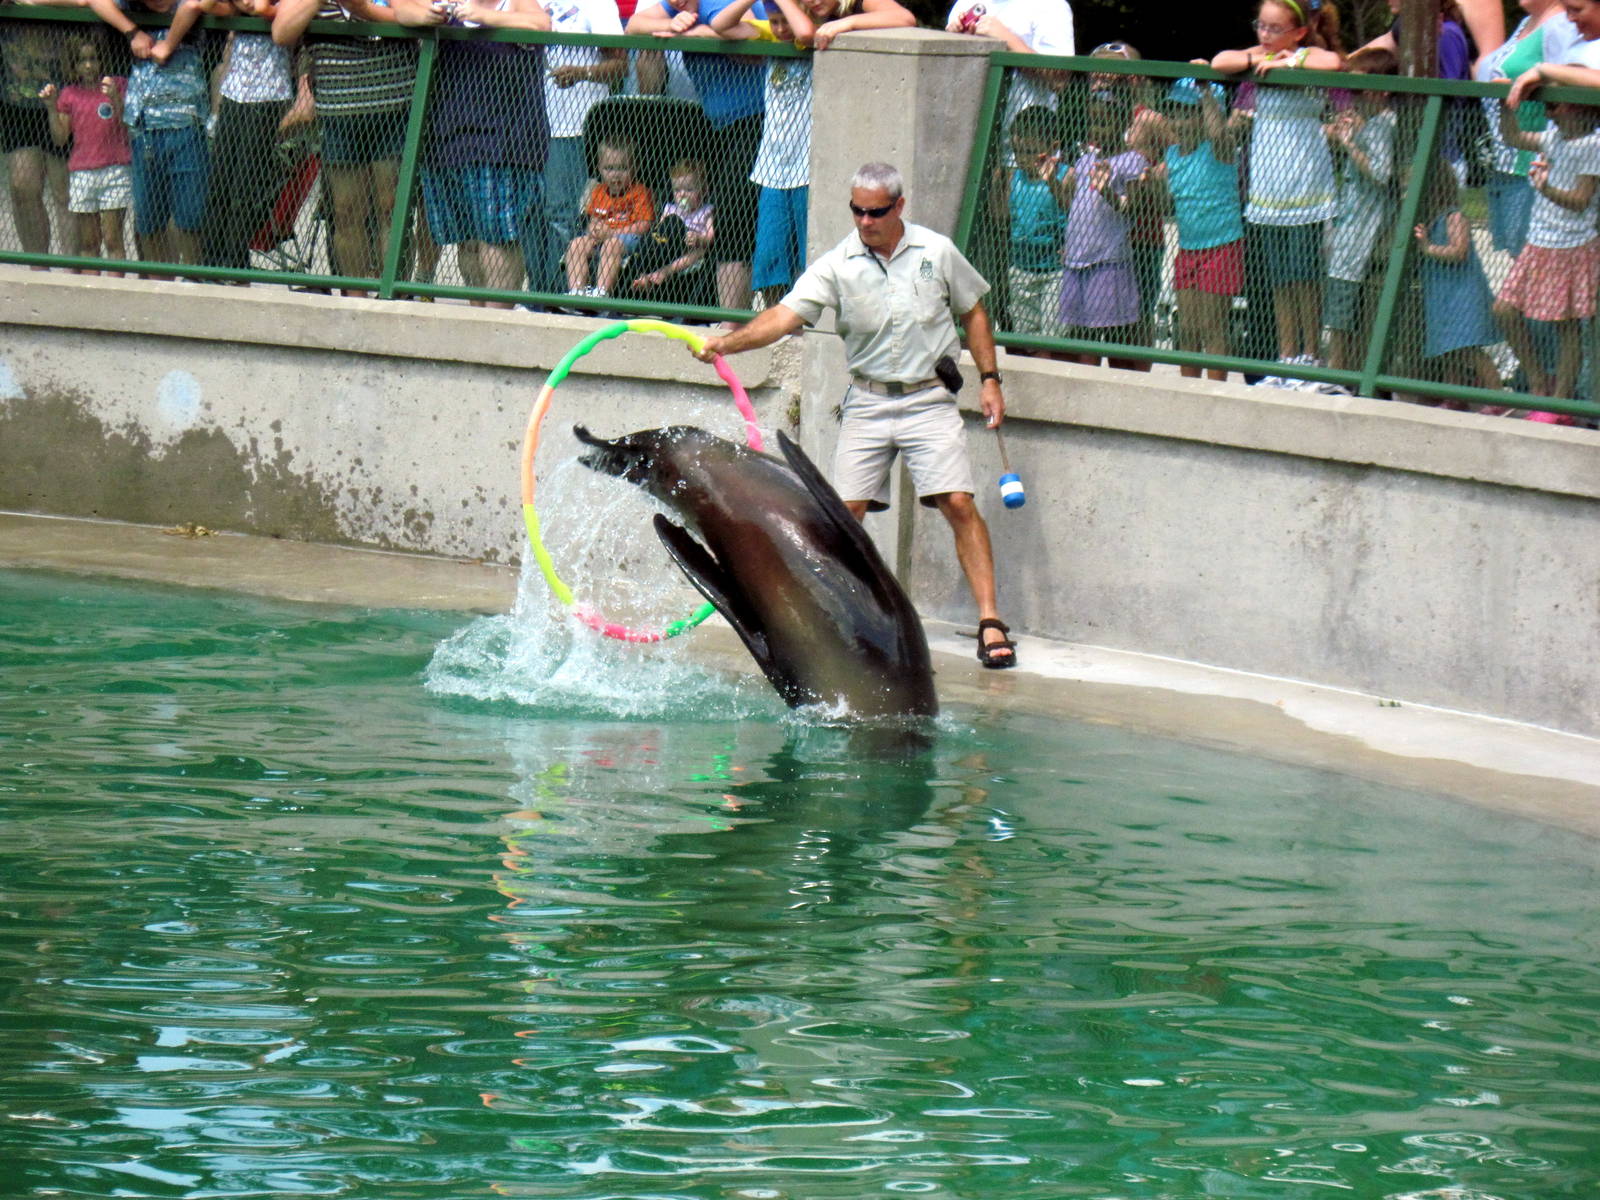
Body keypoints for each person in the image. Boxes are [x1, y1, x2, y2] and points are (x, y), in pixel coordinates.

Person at [690, 162, 1018, 669]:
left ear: (899, 207)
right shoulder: (837, 263)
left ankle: (991, 620)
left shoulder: (936, 251)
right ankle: (838, 628)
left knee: (957, 501)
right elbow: (784, 315)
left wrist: (990, 379)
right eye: (857, 210)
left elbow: (974, 309)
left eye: (876, 212)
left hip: (928, 396)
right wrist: (727, 344)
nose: (865, 221)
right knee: (842, 519)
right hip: (866, 400)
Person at [1212, 0, 1343, 375]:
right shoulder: (1256, 53)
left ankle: (1310, 352)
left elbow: (1331, 64)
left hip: (1305, 176)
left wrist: (1287, 62)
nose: (1265, 35)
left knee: (1305, 273)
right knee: (1280, 276)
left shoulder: (1310, 53)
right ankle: (1286, 354)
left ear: (1298, 31)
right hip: (1268, 183)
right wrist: (1257, 59)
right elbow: (1222, 61)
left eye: (1274, 29)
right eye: (1261, 26)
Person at [272, 0, 427, 293]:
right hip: (338, 110)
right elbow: (282, 32)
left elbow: (417, 20)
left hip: (397, 104)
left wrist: (361, 9)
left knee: (392, 205)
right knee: (344, 210)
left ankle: (393, 293)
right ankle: (353, 294)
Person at [626, 0, 764, 310]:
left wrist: (699, 33)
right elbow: (635, 24)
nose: (675, 2)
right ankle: (726, 315)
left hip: (755, 120)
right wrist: (672, 28)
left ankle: (732, 321)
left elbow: (754, 35)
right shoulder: (679, 8)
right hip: (722, 125)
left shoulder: (718, 2)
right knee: (726, 221)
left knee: (734, 223)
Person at [418, 0, 549, 307]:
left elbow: (541, 24)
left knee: (498, 238)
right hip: (448, 137)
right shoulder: (446, 6)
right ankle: (477, 318)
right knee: (469, 239)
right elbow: (405, 12)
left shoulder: (515, 4)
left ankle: (497, 323)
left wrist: (482, 16)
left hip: (507, 142)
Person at [1492, 95, 1600, 407]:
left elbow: (1581, 200)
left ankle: (1561, 403)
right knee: (1504, 309)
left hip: (1573, 244)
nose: (1548, 112)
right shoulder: (1552, 137)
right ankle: (1540, 383)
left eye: (1554, 105)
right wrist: (1505, 105)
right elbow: (1512, 137)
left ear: (1578, 107)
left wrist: (1545, 188)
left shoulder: (1592, 145)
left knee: (1566, 324)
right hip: (1539, 240)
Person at [88, 0, 212, 266]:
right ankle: (156, 282)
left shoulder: (182, 7)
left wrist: (168, 43)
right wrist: (133, 32)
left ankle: (192, 281)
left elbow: (193, 4)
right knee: (148, 220)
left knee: (191, 218)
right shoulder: (129, 8)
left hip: (187, 127)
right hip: (144, 131)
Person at [709, 0, 814, 305]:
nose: (780, 29)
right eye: (774, 21)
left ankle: (806, 325)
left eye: (784, 21)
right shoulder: (770, 34)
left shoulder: (812, 33)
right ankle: (774, 320)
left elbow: (805, 32)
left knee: (806, 255)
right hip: (772, 168)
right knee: (769, 255)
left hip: (806, 167)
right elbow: (721, 25)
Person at [1141, 78, 1242, 381]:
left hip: (1222, 245)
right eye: (1175, 113)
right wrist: (1154, 184)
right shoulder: (1172, 156)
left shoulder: (1220, 148)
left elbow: (1216, 130)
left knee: (1213, 327)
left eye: (1189, 113)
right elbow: (1164, 203)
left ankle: (1213, 394)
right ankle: (1189, 390)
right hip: (1189, 248)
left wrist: (1206, 91)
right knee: (1186, 327)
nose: (1181, 121)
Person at [1048, 95, 1148, 368]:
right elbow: (1074, 208)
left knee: (1115, 336)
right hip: (1076, 261)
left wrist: (1107, 192)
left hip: (1107, 260)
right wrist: (1052, 185)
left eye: (1105, 120)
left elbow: (1136, 209)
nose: (1098, 127)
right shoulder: (1084, 161)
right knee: (1079, 335)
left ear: (1124, 122)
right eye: (1094, 121)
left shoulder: (1132, 160)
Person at [200, 0, 297, 272]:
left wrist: (251, 6)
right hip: (234, 91)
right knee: (220, 179)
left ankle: (234, 264)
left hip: (268, 94)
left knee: (245, 184)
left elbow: (264, 9)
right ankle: (209, 264)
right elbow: (206, 5)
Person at [1476, 0, 1578, 256]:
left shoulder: (1562, 25)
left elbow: (1568, 88)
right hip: (1504, 162)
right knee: (1517, 262)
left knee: (1531, 267)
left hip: (1533, 167)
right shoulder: (1526, 24)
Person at [539, 0, 625, 294]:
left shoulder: (598, 4)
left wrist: (581, 72)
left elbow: (620, 65)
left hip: (576, 127)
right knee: (531, 215)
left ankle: (553, 293)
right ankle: (539, 290)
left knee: (561, 214)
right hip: (528, 126)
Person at [1322, 47, 1396, 376]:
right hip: (1349, 228)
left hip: (1365, 234)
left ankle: (1340, 372)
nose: (1353, 98)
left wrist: (1351, 144)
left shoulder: (1384, 125)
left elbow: (1381, 173)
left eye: (1359, 90)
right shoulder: (1369, 123)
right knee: (1340, 309)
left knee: (1346, 310)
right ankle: (1339, 370)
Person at [1411, 164, 1501, 401]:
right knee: (1449, 348)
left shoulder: (1454, 216)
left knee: (1468, 349)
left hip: (1461, 293)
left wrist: (1428, 248)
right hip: (1441, 293)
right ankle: (1455, 395)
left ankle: (1497, 397)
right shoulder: (1430, 221)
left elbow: (1459, 251)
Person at [40, 39, 130, 271]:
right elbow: (60, 138)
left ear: (103, 61)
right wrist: (51, 106)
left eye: (94, 59)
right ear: (74, 64)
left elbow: (127, 124)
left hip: (115, 168)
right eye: (82, 60)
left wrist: (115, 99)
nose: (89, 66)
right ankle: (90, 289)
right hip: (82, 172)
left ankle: (114, 291)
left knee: (113, 238)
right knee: (89, 242)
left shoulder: (118, 84)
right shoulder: (70, 94)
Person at [2, 0, 80, 261]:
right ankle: (38, 264)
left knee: (64, 190)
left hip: (65, 92)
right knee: (22, 185)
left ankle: (72, 269)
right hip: (18, 98)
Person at [995, 104, 1068, 346]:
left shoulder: (1066, 175)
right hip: (1022, 267)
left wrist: (1052, 183)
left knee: (1053, 334)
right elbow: (1002, 218)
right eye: (1017, 151)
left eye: (1029, 151)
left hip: (1055, 270)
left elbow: (1071, 210)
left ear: (1053, 147)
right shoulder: (1013, 178)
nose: (1022, 158)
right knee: (1026, 337)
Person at [945, 0, 1073, 123]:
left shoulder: (1052, 6)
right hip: (965, 127)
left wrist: (1008, 41)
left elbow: (1059, 79)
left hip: (1025, 136)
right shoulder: (966, 3)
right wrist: (955, 42)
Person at [563, 136, 654, 299]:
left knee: (611, 245)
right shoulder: (599, 191)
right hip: (602, 237)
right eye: (609, 169)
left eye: (622, 168)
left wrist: (611, 233)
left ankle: (601, 292)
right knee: (576, 245)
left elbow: (644, 225)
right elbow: (594, 218)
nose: (615, 175)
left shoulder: (640, 192)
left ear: (634, 167)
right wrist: (594, 230)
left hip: (628, 239)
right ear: (599, 168)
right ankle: (577, 292)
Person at [626, 157, 714, 299]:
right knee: (655, 239)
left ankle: (665, 271)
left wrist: (699, 239)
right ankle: (643, 275)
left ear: (703, 190)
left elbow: (711, 236)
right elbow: (659, 231)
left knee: (700, 251)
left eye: (689, 189)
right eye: (677, 190)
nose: (682, 194)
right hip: (669, 249)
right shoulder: (670, 209)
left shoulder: (706, 211)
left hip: (689, 250)